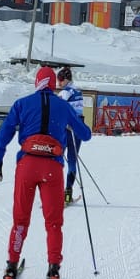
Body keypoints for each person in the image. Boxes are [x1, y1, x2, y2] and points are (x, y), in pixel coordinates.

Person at [0, 65, 92, 279]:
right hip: (53, 169)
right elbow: (85, 134)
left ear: (37, 83)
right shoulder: (63, 105)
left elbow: (3, 137)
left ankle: (10, 268)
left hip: (27, 166)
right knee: (53, 223)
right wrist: (72, 122)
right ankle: (53, 272)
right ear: (53, 84)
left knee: (20, 220)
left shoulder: (21, 104)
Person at [56, 65, 85, 204]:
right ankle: (68, 193)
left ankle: (55, 193)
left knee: (57, 159)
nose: (58, 83)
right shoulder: (78, 91)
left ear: (67, 79)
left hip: (66, 129)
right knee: (72, 161)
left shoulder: (65, 92)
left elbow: (56, 109)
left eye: (60, 79)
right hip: (77, 129)